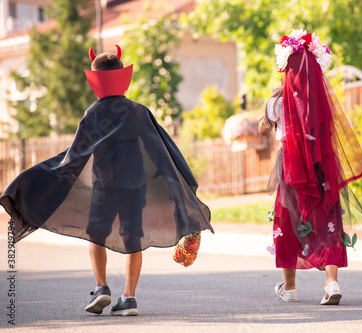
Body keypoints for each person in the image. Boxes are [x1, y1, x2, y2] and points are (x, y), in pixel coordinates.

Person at [0, 45, 213, 315]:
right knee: (133, 239)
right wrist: (177, 186)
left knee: (96, 236)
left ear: (95, 79)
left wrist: (38, 179)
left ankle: (101, 288)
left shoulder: (92, 114)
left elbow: (74, 157)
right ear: (123, 76)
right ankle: (129, 298)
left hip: (104, 186)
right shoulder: (138, 111)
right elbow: (160, 151)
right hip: (135, 188)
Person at [264, 29, 362, 305]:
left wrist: (278, 94)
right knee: (326, 219)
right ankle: (331, 282)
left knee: (288, 220)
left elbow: (264, 125)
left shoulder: (277, 103)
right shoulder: (321, 103)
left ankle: (289, 288)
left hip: (290, 166)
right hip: (320, 165)